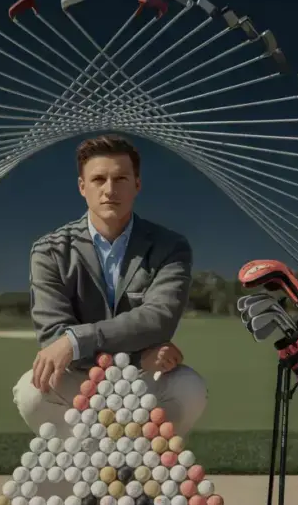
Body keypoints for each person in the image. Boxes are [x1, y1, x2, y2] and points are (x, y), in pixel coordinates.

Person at [12, 134, 208, 440]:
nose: (110, 190)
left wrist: (76, 339)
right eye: (99, 179)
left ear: (137, 185)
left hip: (143, 378)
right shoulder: (49, 250)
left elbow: (159, 319)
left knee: (189, 388)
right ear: (82, 187)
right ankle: (84, 471)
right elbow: (53, 337)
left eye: (120, 178)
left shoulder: (170, 246)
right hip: (84, 376)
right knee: (31, 391)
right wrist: (132, 358)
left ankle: (144, 469)